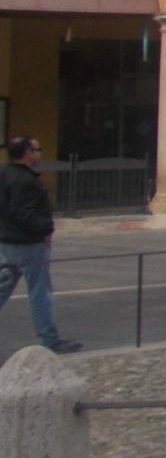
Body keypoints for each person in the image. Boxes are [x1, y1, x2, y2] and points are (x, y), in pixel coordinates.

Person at [0, 137, 80, 353]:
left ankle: (49, 338)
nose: (39, 154)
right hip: (29, 244)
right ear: (27, 152)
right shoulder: (25, 180)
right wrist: (45, 228)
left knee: (3, 288)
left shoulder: (5, 173)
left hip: (8, 242)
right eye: (37, 150)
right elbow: (21, 212)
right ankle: (49, 339)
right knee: (40, 294)